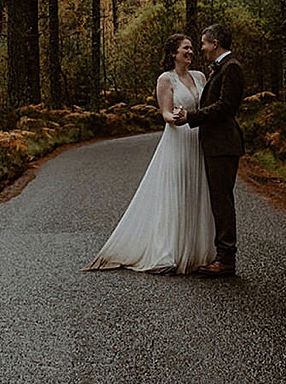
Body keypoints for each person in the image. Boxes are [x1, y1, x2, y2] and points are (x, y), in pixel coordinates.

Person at [84, 34, 217, 274]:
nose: (190, 52)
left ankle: (195, 251)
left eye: (191, 48)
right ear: (174, 53)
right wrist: (174, 117)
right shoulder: (165, 79)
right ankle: (168, 252)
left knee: (196, 191)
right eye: (185, 48)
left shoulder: (200, 77)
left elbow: (204, 108)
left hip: (197, 139)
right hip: (178, 140)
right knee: (176, 191)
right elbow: (164, 113)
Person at [171, 23, 243, 277]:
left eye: (203, 43)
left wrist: (191, 117)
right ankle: (223, 255)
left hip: (223, 144)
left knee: (222, 201)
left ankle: (226, 259)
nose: (201, 48)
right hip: (216, 144)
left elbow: (225, 107)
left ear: (215, 43)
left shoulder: (231, 68)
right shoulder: (222, 68)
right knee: (218, 199)